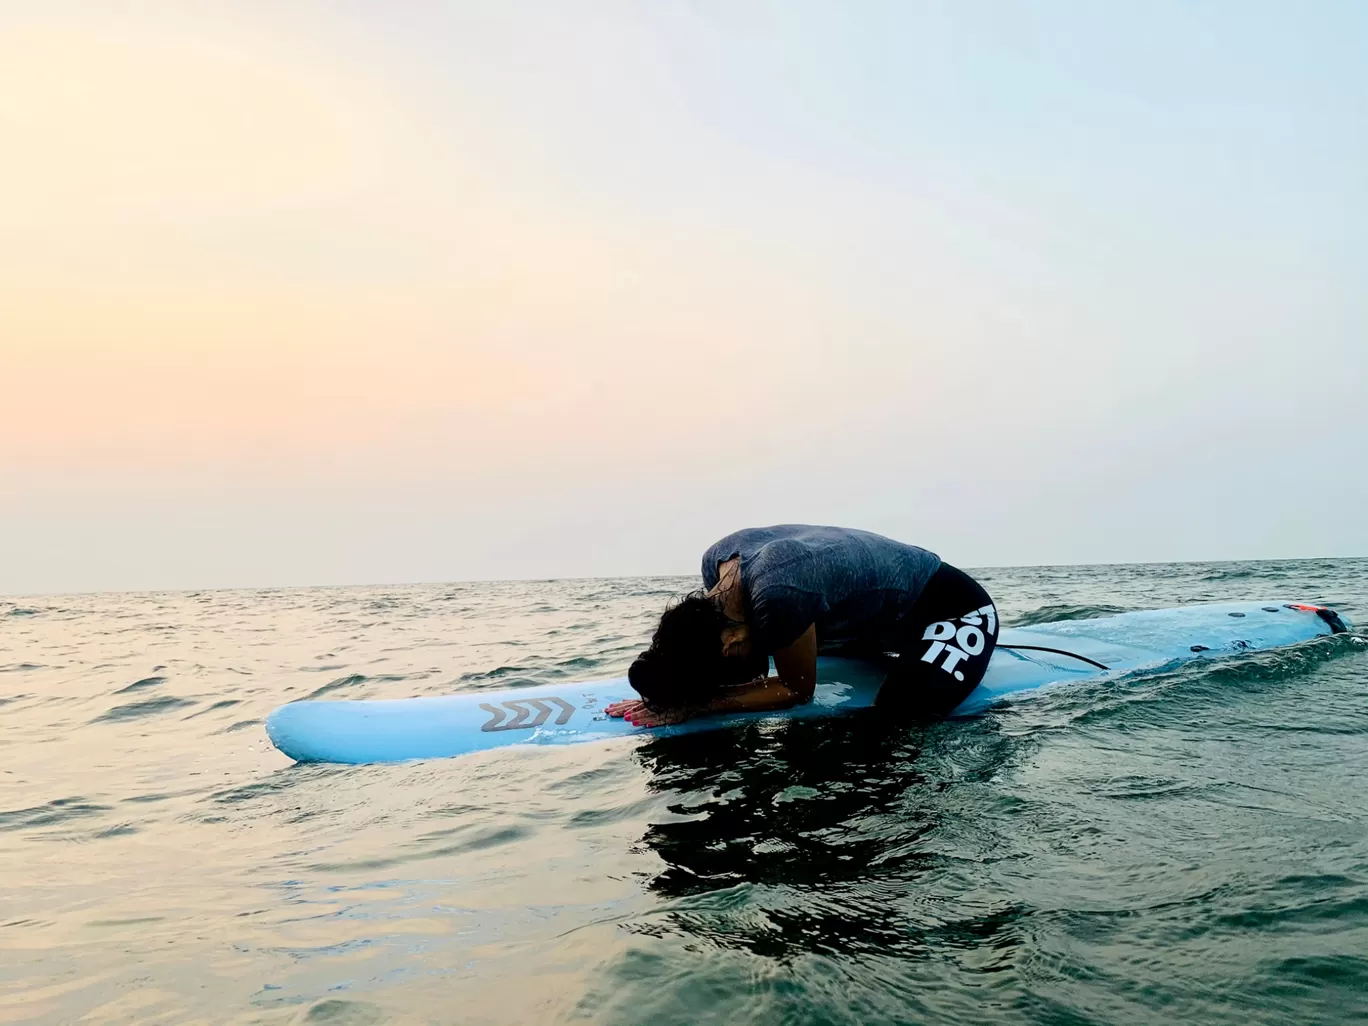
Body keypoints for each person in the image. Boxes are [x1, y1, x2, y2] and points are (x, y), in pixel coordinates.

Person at [606, 525, 998, 727]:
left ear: (727, 642)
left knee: (892, 723)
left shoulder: (779, 593)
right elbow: (759, 657)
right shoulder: (716, 564)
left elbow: (798, 691)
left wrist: (701, 704)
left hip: (952, 610)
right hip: (870, 624)